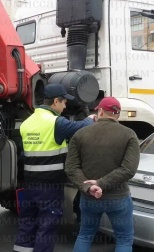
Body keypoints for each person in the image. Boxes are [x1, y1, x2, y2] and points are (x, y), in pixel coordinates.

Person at [13, 83, 95, 252]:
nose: (65, 107)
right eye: (64, 102)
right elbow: (81, 128)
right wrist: (91, 119)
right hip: (49, 185)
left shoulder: (27, 123)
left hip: (29, 183)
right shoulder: (55, 122)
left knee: (28, 223)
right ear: (55, 101)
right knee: (48, 225)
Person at [65, 97, 140, 252]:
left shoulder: (80, 134)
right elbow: (128, 169)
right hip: (118, 198)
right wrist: (102, 183)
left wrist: (89, 187)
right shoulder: (129, 135)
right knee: (124, 239)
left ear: (100, 111)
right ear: (117, 115)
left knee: (85, 235)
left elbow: (71, 167)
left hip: (89, 198)